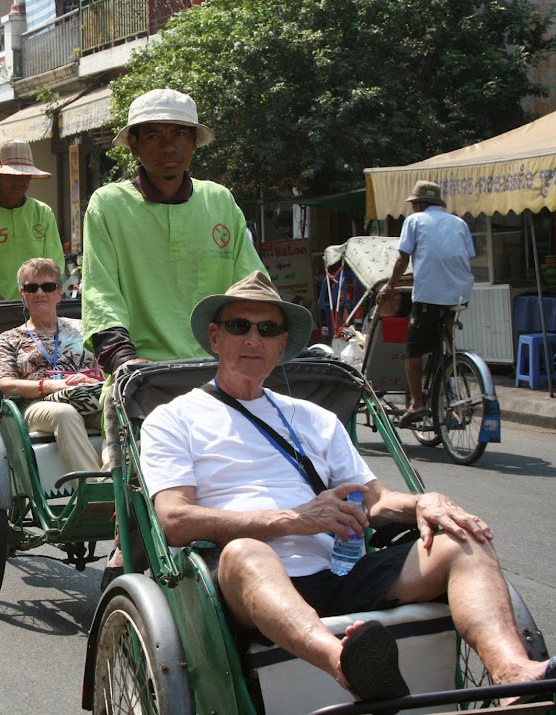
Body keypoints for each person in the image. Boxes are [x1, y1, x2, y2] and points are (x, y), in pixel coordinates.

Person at [140, 270, 556, 703]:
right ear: (215, 336)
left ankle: (514, 677)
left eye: (267, 330)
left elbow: (376, 501)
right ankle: (347, 665)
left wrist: (426, 501)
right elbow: (175, 520)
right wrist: (292, 519)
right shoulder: (173, 419)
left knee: (461, 537)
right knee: (247, 551)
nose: (253, 340)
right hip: (244, 583)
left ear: (282, 343)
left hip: (339, 571)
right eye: (238, 326)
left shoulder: (314, 418)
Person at [82, 88, 266, 375]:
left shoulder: (219, 200)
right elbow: (101, 293)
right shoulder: (108, 205)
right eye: (154, 136)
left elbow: (251, 287)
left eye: (179, 134)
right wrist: (122, 357)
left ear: (193, 142)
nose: (168, 147)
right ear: (134, 144)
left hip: (220, 372)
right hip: (143, 376)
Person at [376, 180, 475, 427]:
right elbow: (464, 256)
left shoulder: (415, 221)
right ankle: (451, 370)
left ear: (419, 203)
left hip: (429, 296)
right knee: (445, 336)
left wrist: (390, 286)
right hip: (459, 295)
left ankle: (417, 402)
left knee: (414, 348)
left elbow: (402, 259)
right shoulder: (459, 223)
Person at [0, 258, 103, 475]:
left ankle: (117, 482)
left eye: (48, 286)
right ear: (23, 294)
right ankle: (93, 490)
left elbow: (105, 368)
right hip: (38, 404)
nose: (40, 293)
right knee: (64, 413)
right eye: (31, 287)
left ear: (59, 293)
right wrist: (49, 386)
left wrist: (93, 380)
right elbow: (5, 383)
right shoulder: (10, 338)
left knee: (118, 410)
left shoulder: (83, 327)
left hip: (87, 396)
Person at [0, 140, 64, 303]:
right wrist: (5, 308)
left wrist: (39, 301)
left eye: (25, 176)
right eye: (12, 175)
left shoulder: (43, 213)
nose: (19, 181)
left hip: (38, 310)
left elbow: (55, 265)